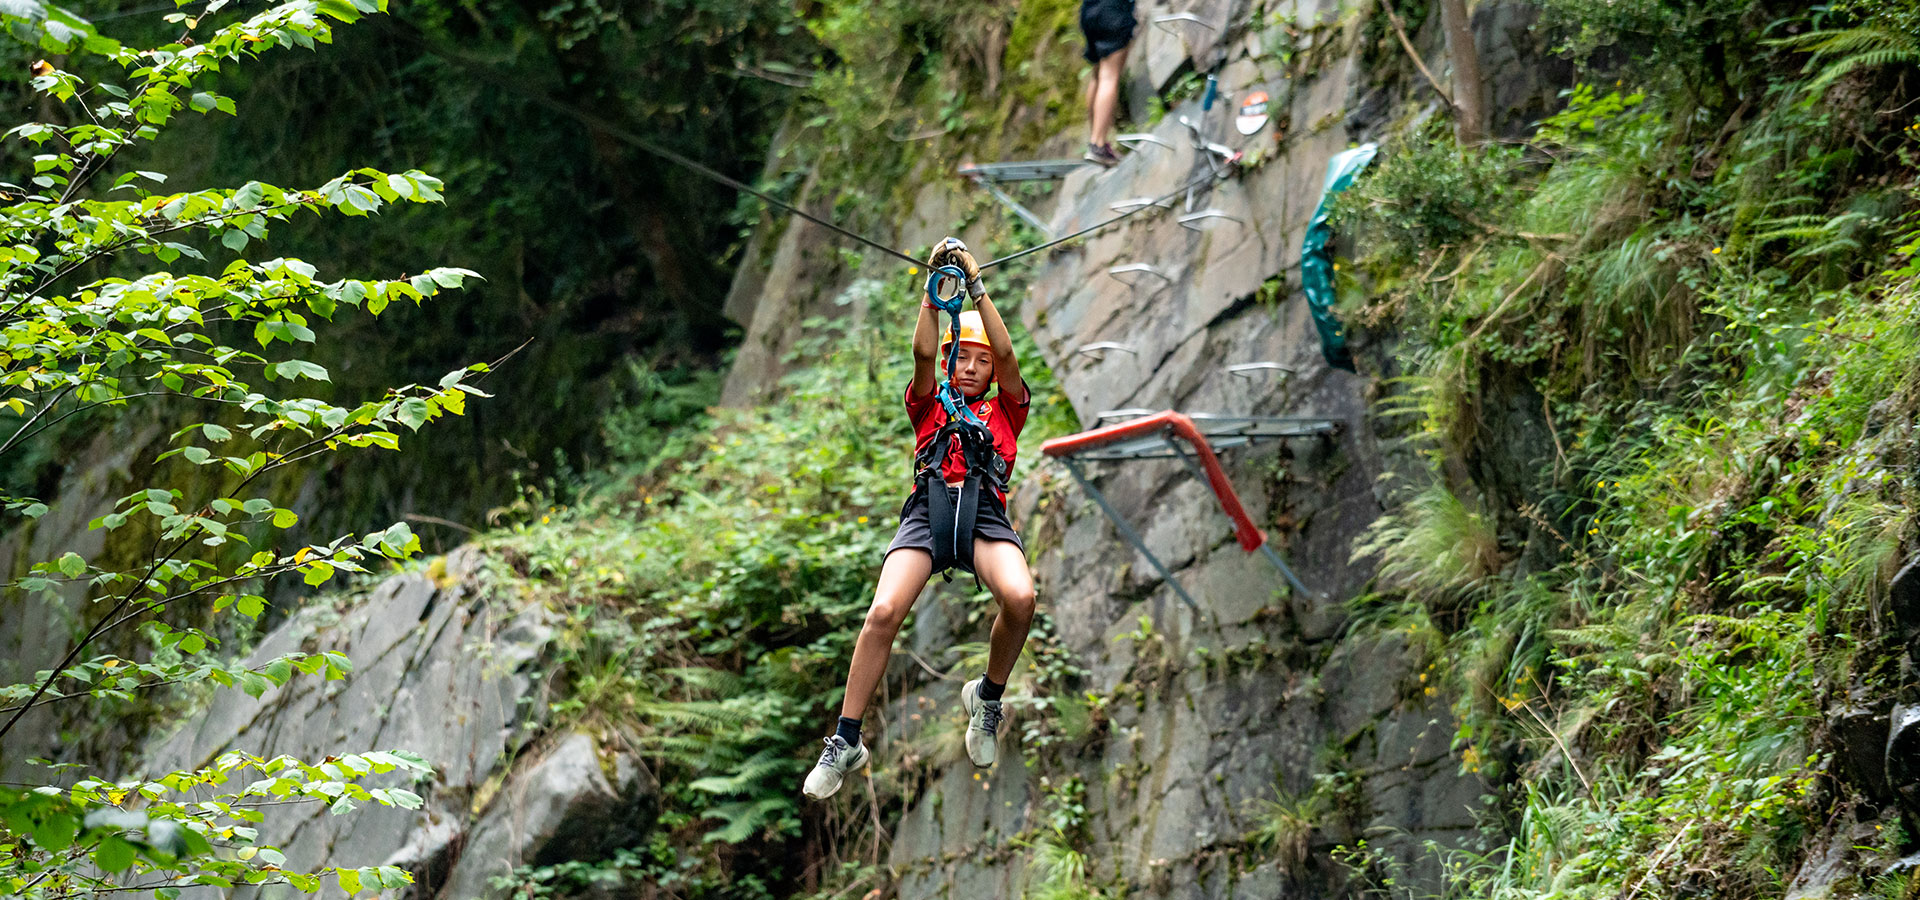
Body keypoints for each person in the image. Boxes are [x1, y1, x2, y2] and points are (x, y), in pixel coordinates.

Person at [802, 237, 1037, 801]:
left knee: (1022, 599)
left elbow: (1007, 358)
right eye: (966, 359)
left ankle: (988, 697)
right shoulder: (930, 403)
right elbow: (921, 357)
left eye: (982, 361)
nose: (975, 368)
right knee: (882, 611)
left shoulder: (1007, 409)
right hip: (929, 513)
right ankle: (845, 740)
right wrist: (933, 297)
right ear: (953, 362)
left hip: (982, 513)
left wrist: (976, 291)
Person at [1080, 0, 1136, 167]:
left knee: (1097, 76)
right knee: (1109, 76)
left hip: (1089, 10)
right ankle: (1098, 145)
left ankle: (1095, 141)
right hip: (1113, 11)